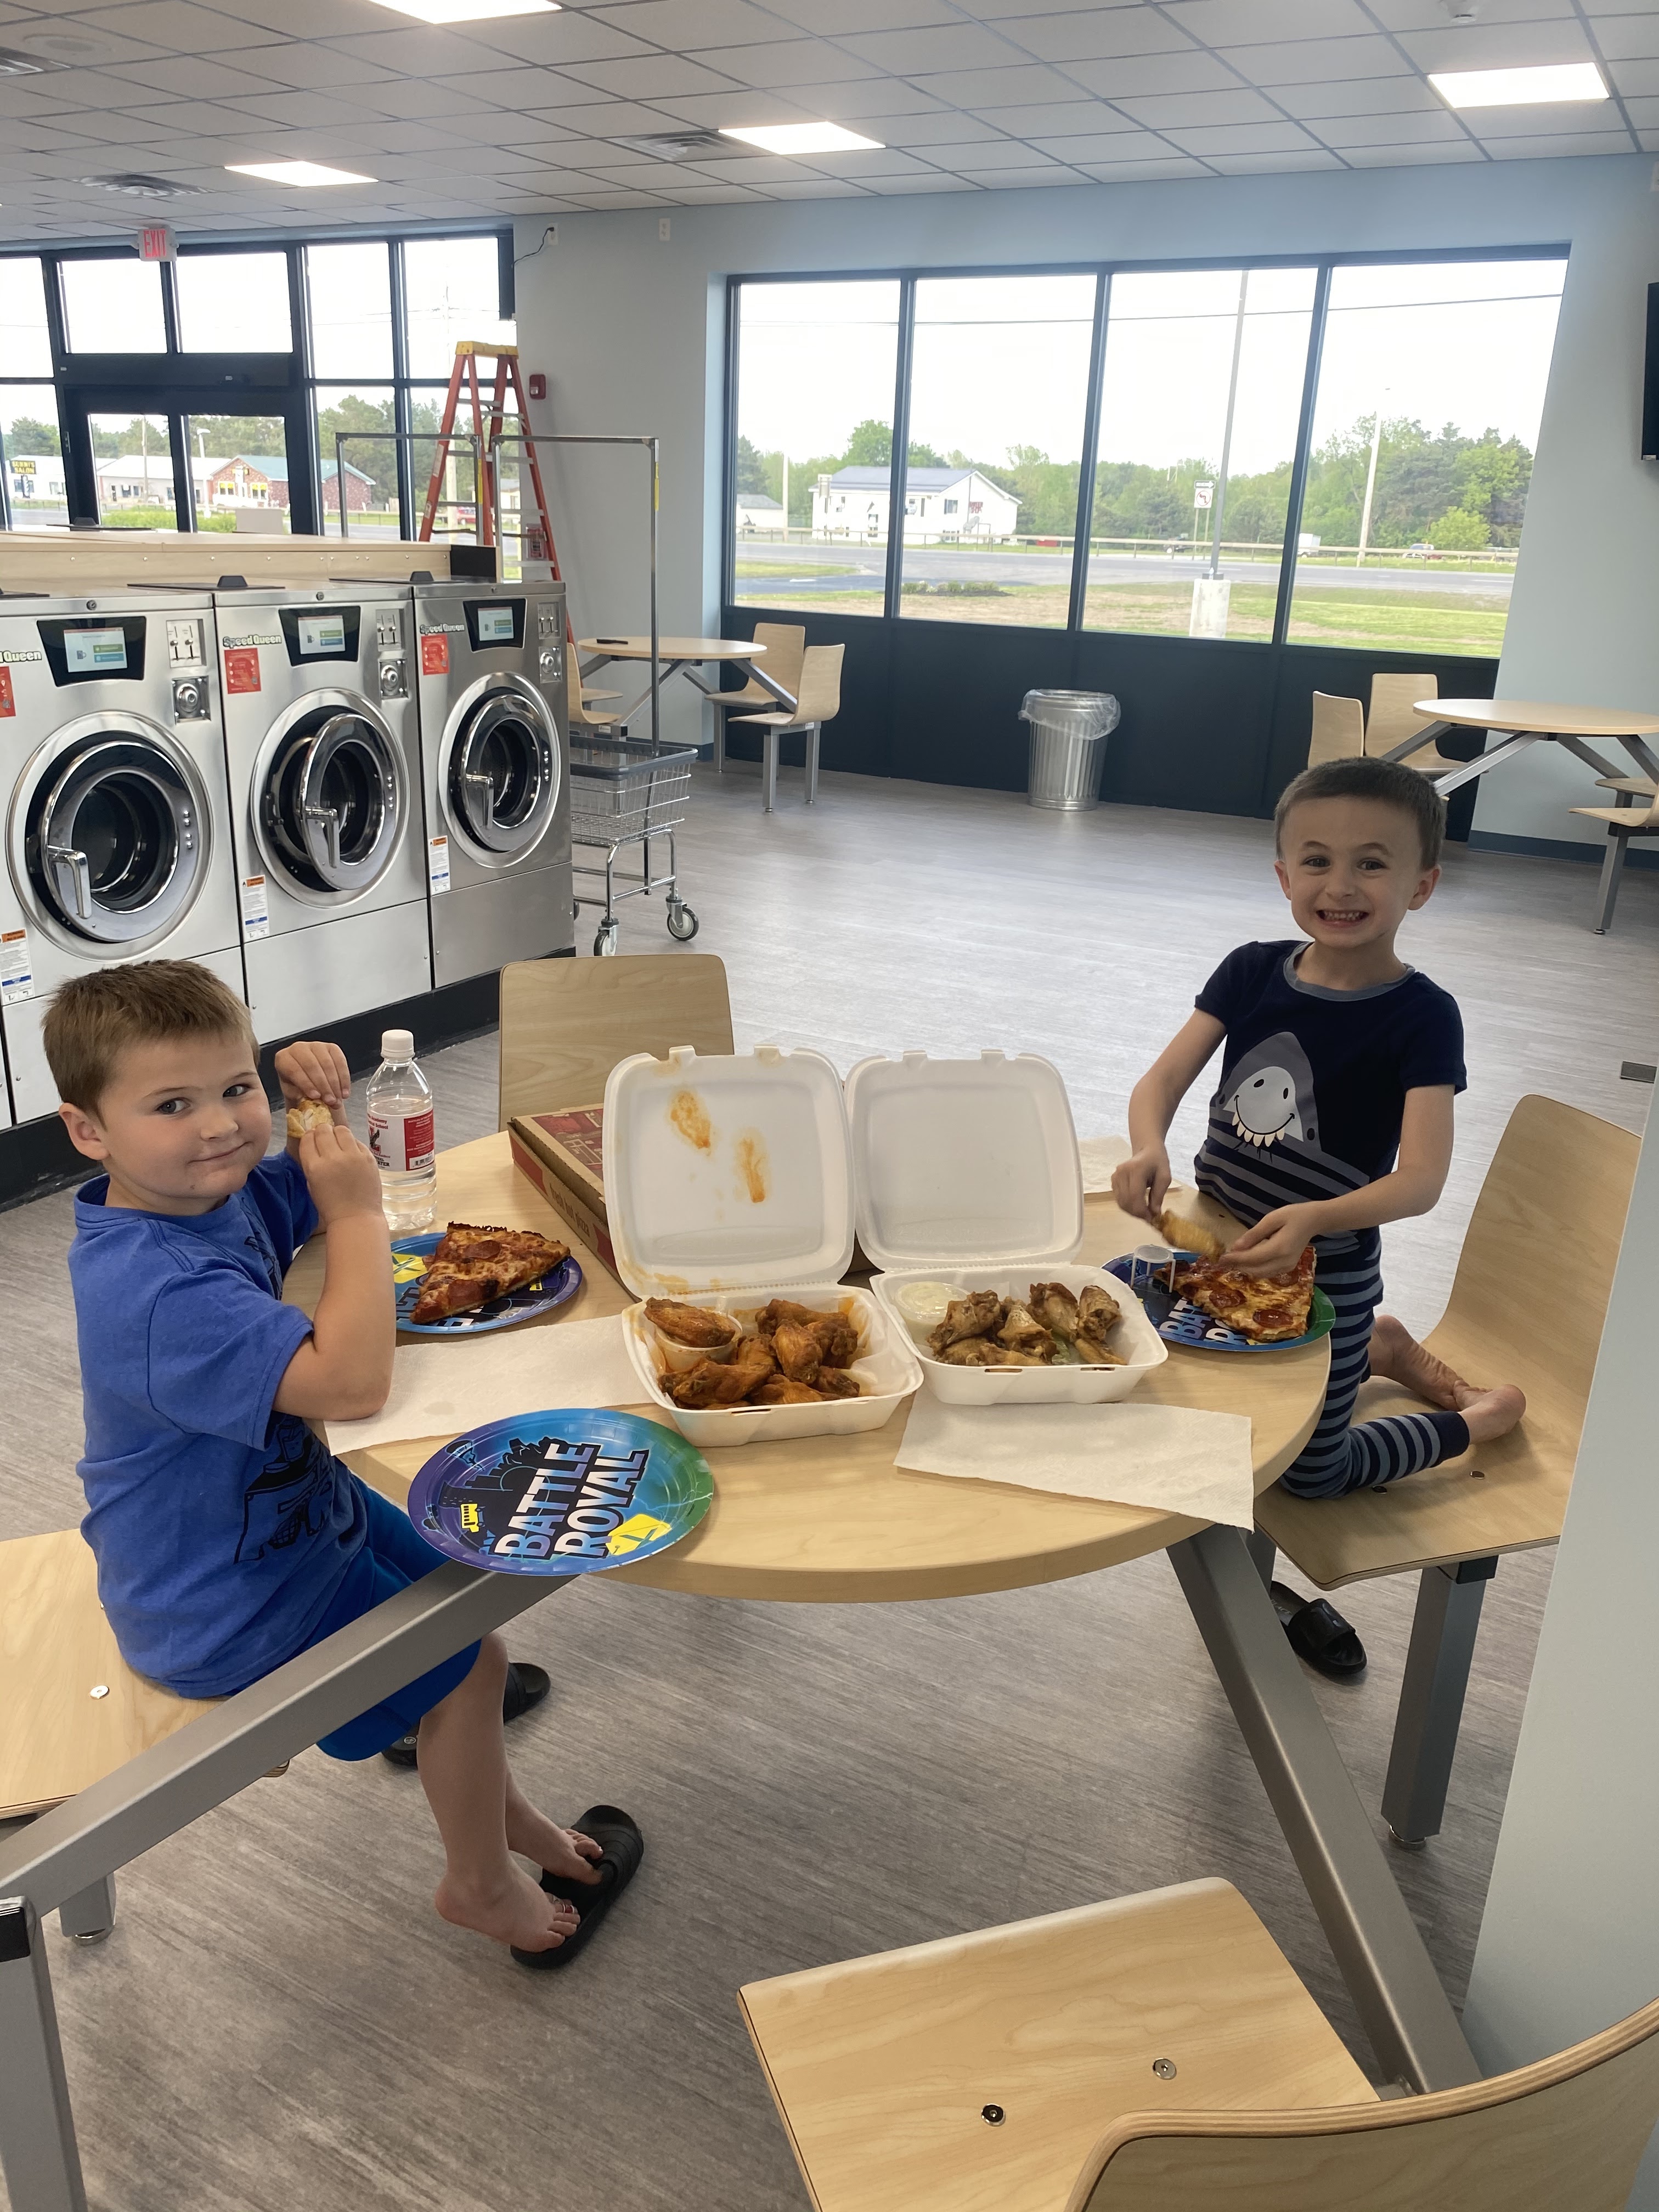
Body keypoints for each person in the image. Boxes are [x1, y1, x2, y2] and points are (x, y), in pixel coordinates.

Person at [47, 960, 609, 1959]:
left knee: (470, 1594)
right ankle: (479, 1885)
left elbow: (302, 1189)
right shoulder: (155, 1291)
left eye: (234, 1089)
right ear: (88, 1132)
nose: (220, 1127)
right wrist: (357, 1214)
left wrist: (315, 1106)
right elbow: (352, 1385)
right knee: (468, 1665)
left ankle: (507, 1819)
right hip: (221, 1602)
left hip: (295, 1523)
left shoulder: (200, 1195)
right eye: (172, 1105)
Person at [1112, 758, 1524, 1666]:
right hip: (1215, 1246)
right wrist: (1148, 1146)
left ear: (1422, 885)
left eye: (1372, 864)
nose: (1340, 886)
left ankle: (1471, 1420)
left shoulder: (1424, 1016)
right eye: (1317, 861)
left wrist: (1314, 1219)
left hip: (1324, 1270)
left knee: (1312, 1473)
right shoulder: (1250, 970)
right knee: (1160, 1357)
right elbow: (1162, 1082)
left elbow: (1421, 1180)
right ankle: (1376, 1348)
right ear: (1283, 875)